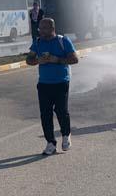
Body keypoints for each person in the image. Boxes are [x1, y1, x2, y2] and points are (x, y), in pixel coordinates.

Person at [26, 18, 79, 155]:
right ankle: (50, 143)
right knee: (45, 114)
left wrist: (57, 60)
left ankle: (66, 135)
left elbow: (74, 59)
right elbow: (29, 59)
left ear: (52, 29)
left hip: (61, 82)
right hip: (44, 84)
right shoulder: (37, 42)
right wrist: (38, 60)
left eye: (44, 28)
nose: (41, 31)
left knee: (61, 111)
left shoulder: (63, 41)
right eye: (40, 28)